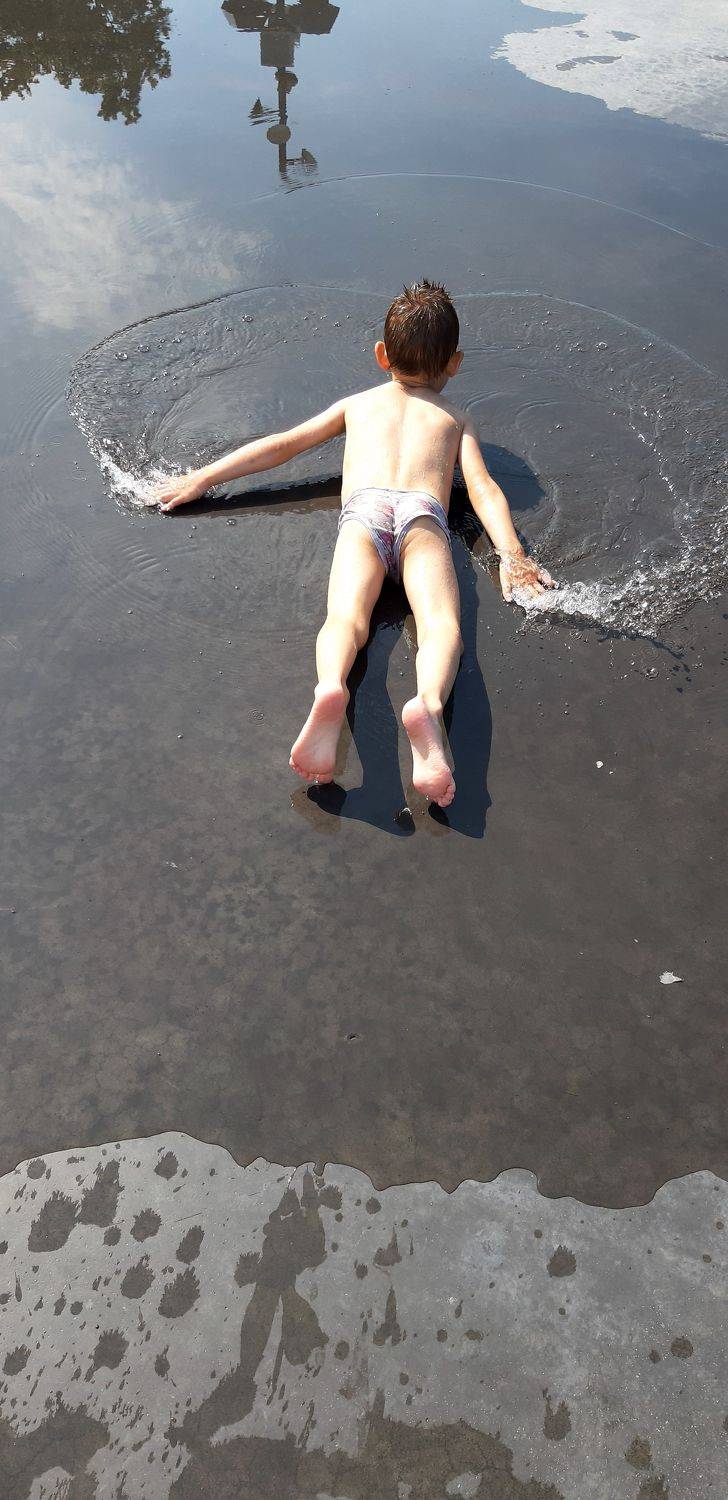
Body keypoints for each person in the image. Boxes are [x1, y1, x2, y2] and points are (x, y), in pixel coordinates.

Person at [153, 280, 555, 807]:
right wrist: (513, 554)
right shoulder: (456, 419)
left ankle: (330, 687)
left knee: (345, 620)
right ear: (454, 364)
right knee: (440, 626)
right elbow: (482, 488)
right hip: (420, 515)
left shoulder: (358, 405)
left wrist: (203, 477)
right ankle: (428, 705)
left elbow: (283, 445)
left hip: (364, 515)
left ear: (382, 355)